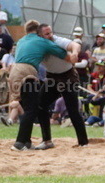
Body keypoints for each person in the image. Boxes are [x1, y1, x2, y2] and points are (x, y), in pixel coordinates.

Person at [10, 20, 68, 151]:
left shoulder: (21, 41)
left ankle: (27, 141)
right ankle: (19, 143)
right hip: (27, 73)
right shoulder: (40, 40)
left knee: (27, 107)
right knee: (32, 109)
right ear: (38, 31)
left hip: (13, 72)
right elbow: (61, 53)